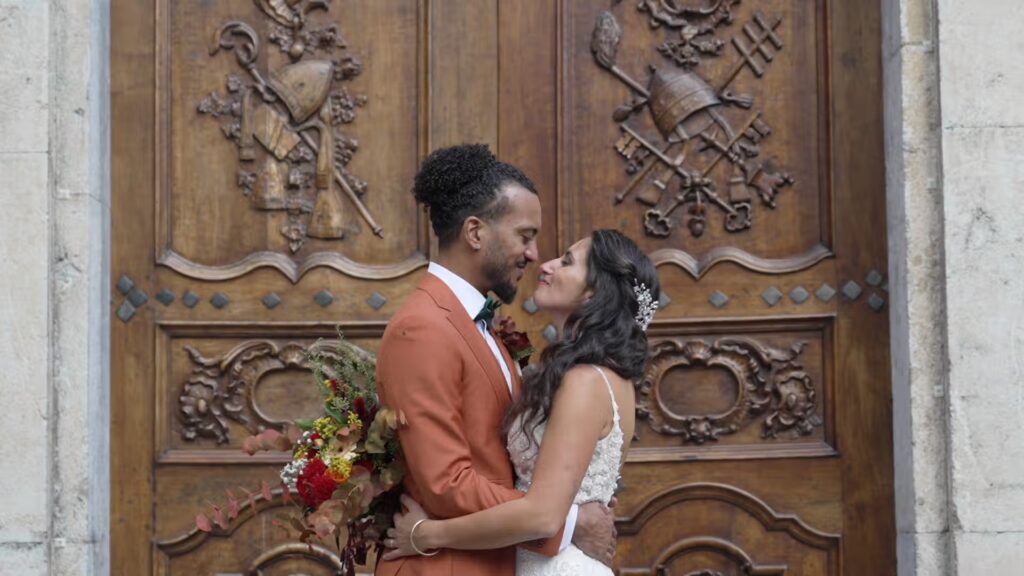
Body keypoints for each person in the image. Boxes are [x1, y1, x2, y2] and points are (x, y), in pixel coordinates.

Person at [374, 145, 618, 576]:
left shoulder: (483, 326)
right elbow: (446, 484)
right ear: (475, 232)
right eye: (525, 235)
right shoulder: (423, 328)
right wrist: (567, 522)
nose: (534, 253)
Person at [383, 228, 660, 575]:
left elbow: (542, 517)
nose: (545, 264)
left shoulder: (586, 381)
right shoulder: (606, 377)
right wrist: (576, 519)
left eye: (567, 261)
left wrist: (426, 534)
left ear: (593, 292)